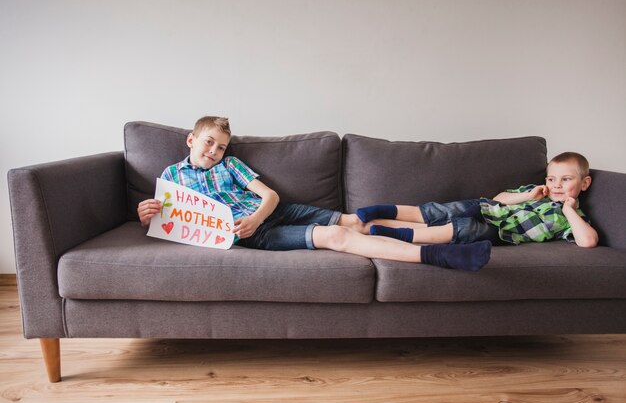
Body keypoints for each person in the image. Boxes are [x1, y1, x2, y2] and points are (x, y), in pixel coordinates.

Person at [137, 116, 492, 271]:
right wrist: (148, 215)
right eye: (208, 143)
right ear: (191, 140)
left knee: (359, 220)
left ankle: (455, 226)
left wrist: (258, 213)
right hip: (255, 234)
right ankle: (437, 256)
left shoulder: (230, 165)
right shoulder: (172, 176)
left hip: (274, 211)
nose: (213, 150)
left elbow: (270, 196)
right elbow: (175, 222)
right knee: (337, 235)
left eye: (220, 146)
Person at [356, 152, 598, 248]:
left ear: (584, 183)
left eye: (565, 180)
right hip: (488, 208)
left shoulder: (572, 218)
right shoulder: (536, 191)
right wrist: (527, 195)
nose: (556, 185)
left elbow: (587, 242)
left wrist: (569, 211)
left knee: (461, 229)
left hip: (500, 232)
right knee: (443, 210)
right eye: (552, 178)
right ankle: (385, 210)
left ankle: (398, 235)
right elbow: (498, 199)